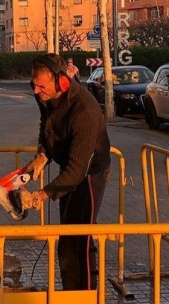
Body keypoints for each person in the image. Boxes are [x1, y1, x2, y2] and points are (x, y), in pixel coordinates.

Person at [21, 53, 111, 290]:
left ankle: (85, 301)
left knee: (78, 239)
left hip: (90, 173)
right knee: (67, 237)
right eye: (33, 85)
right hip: (70, 168)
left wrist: (42, 194)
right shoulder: (44, 96)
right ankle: (72, 294)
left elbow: (76, 171)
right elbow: (47, 126)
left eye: (41, 86)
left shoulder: (85, 110)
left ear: (62, 82)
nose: (36, 91)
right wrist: (42, 154)